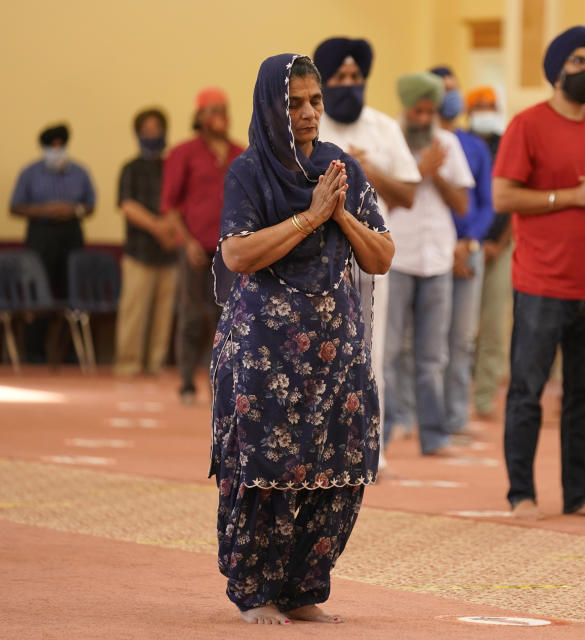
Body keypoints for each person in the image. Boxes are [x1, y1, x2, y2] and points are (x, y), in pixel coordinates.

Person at [210, 53, 394, 625]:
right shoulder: (249, 172)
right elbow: (236, 253)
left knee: (336, 462)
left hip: (335, 349)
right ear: (271, 107)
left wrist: (340, 217)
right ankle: (254, 590)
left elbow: (382, 255)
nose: (310, 113)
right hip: (263, 349)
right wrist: (310, 219)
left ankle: (302, 587)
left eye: (315, 101)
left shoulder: (341, 168)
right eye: (294, 103)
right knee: (265, 466)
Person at [492, 26, 585, 520]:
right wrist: (569, 197)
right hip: (541, 285)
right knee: (528, 393)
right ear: (556, 71)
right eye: (577, 61)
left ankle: (579, 493)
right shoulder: (527, 125)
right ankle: (522, 493)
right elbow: (504, 196)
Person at [313, 37, 421, 471]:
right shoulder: (311, 123)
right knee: (317, 350)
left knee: (371, 350)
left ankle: (369, 448)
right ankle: (317, 447)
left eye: (356, 77)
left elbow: (409, 193)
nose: (349, 84)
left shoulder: (383, 128)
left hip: (369, 256)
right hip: (315, 261)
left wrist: (366, 170)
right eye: (339, 77)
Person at [382, 72, 474, 455]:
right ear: (406, 110)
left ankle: (433, 436)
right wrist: (419, 172)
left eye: (429, 111)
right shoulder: (389, 144)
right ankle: (382, 436)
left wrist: (436, 174)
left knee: (432, 356)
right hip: (396, 255)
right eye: (417, 111)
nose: (424, 118)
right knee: (387, 352)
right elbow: (381, 201)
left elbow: (462, 205)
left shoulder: (447, 143)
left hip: (436, 258)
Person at [162, 87, 244, 404]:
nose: (220, 116)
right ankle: (186, 382)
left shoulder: (241, 153)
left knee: (228, 318)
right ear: (199, 117)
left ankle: (221, 383)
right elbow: (170, 205)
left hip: (232, 251)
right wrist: (187, 242)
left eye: (223, 109)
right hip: (196, 250)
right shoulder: (183, 154)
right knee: (193, 317)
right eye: (212, 110)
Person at [430, 67, 495, 438]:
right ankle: (423, 418)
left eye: (454, 90)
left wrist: (467, 241)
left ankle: (455, 418)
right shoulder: (417, 142)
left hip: (467, 250)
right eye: (443, 91)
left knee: (461, 339)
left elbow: (486, 202)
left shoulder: (474, 146)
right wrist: (446, 243)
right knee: (426, 341)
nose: (450, 97)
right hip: (431, 252)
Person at [9, 123, 95, 362]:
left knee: (72, 292)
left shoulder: (79, 171)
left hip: (71, 234)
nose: (57, 149)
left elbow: (90, 204)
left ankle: (70, 354)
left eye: (61, 145)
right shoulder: (30, 172)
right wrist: (45, 210)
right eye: (52, 146)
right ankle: (35, 353)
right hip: (40, 236)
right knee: (38, 293)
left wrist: (72, 209)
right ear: (44, 147)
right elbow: (15, 206)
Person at [114, 108, 181, 376]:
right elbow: (128, 206)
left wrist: (170, 231)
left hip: (169, 254)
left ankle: (156, 364)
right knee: (134, 313)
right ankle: (128, 364)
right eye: (147, 129)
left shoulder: (171, 166)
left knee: (163, 315)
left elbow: (179, 204)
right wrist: (159, 229)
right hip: (138, 253)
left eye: (157, 129)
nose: (152, 134)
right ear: (138, 133)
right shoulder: (130, 168)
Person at [467, 85, 513, 419]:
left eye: (490, 105)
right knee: (463, 329)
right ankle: (452, 405)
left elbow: (515, 197)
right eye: (479, 105)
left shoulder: (508, 144)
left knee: (495, 327)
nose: (486, 110)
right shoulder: (461, 144)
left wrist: (500, 242)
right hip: (467, 245)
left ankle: (484, 399)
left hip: (503, 245)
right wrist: (476, 240)